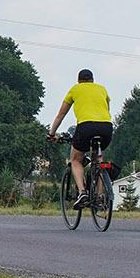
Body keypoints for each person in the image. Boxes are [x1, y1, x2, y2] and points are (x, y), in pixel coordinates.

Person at [48, 69, 112, 209]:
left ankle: (82, 193)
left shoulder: (75, 89)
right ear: (92, 80)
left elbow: (60, 115)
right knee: (99, 160)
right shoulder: (102, 89)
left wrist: (51, 134)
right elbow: (107, 110)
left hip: (86, 127)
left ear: (79, 81)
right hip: (106, 127)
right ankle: (99, 197)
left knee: (76, 160)